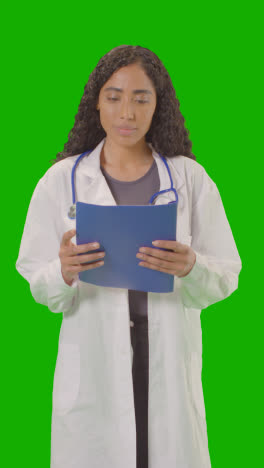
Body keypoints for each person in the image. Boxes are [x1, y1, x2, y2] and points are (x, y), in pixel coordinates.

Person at [15, 45, 242, 468]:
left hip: (168, 358)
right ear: (96, 103)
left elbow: (228, 273)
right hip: (95, 364)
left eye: (142, 98)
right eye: (114, 96)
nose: (127, 112)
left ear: (159, 106)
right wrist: (63, 272)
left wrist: (192, 267)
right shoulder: (61, 180)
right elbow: (36, 279)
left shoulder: (189, 178)